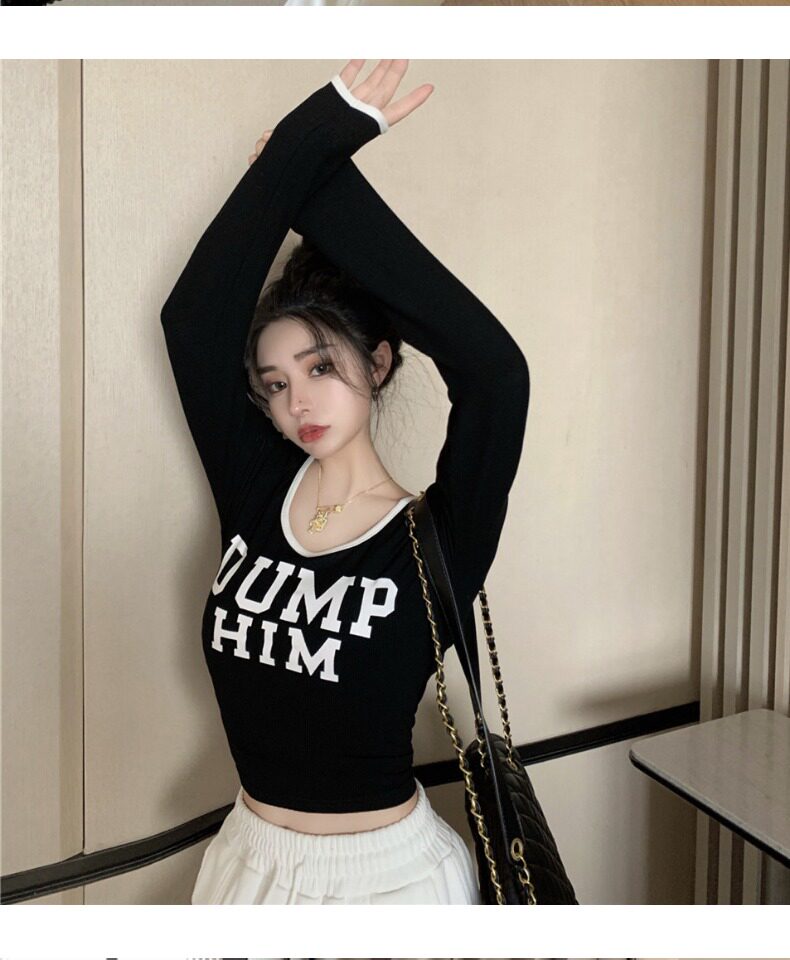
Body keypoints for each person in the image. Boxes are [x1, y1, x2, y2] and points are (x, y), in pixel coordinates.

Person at [160, 59, 530, 905]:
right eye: (275, 382)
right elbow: (191, 324)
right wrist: (301, 155)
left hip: (389, 885)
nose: (297, 401)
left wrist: (322, 181)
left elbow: (497, 375)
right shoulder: (257, 487)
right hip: (246, 864)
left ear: (379, 362)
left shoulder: (436, 538)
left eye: (321, 365)